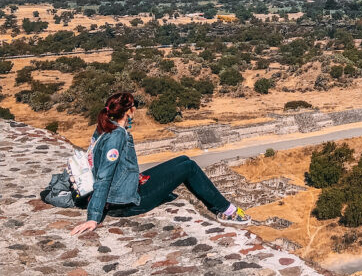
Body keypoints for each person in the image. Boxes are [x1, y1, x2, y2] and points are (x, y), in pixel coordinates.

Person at [70, 91, 251, 235]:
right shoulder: (117, 136)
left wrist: (130, 179)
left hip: (125, 191)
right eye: (134, 107)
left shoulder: (105, 128)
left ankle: (224, 208)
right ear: (129, 111)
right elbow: (104, 175)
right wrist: (94, 217)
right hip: (128, 204)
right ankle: (227, 210)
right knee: (189, 168)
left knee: (184, 159)